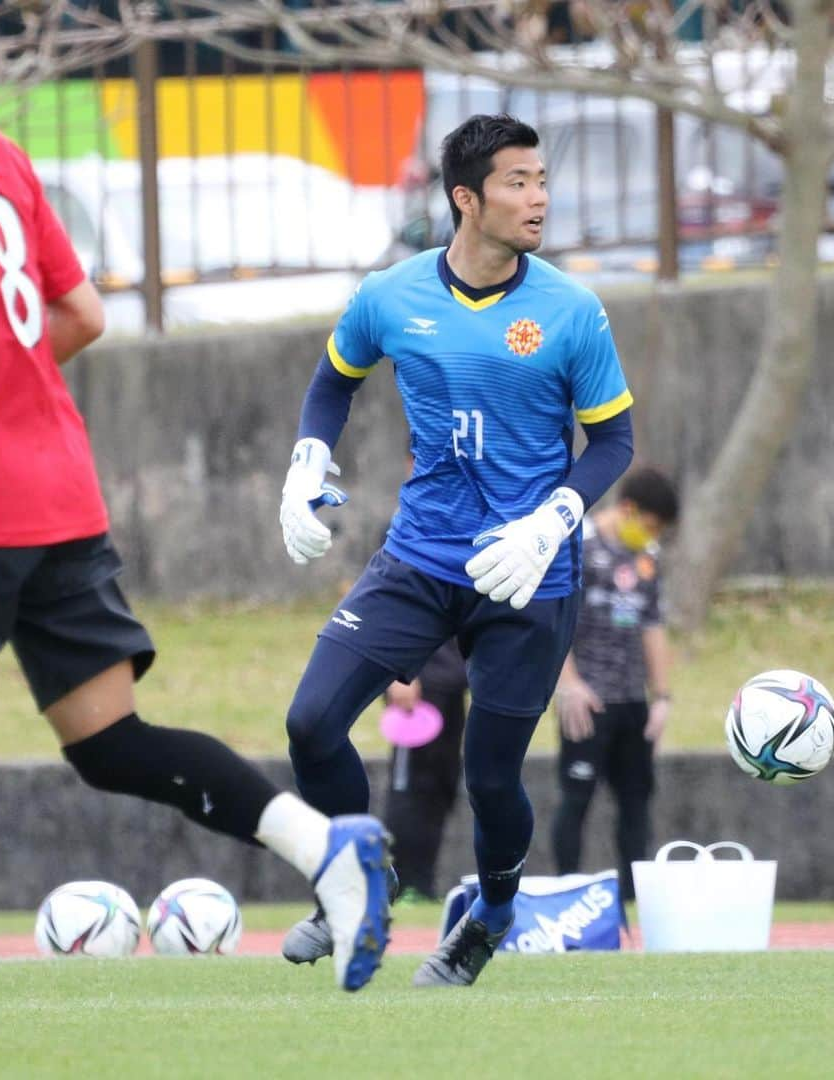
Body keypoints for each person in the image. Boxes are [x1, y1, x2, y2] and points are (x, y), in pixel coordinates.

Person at [0, 121, 390, 994]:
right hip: (56, 489)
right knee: (111, 743)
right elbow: (82, 314)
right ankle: (328, 851)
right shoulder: (2, 153)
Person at [277, 113, 634, 987]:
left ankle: (494, 916)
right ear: (466, 199)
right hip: (422, 557)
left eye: (542, 179)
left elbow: (615, 445)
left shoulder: (571, 311)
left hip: (530, 571)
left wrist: (554, 517)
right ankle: (357, 882)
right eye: (518, 182)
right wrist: (306, 461)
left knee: (490, 777)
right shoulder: (391, 296)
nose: (539, 197)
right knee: (311, 723)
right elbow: (332, 385)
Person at [550, 466, 680, 901]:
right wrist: (568, 683)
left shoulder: (648, 559)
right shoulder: (579, 547)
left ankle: (634, 899)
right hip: (587, 701)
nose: (652, 535)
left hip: (632, 701)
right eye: (649, 525)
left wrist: (662, 697)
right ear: (627, 509)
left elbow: (653, 626)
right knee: (576, 798)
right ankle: (567, 891)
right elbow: (554, 621)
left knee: (636, 804)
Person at [383, 638, 469, 902]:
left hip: (452, 685)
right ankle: (400, 884)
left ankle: (423, 884)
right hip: (416, 685)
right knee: (409, 786)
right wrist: (397, 673)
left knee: (442, 784)